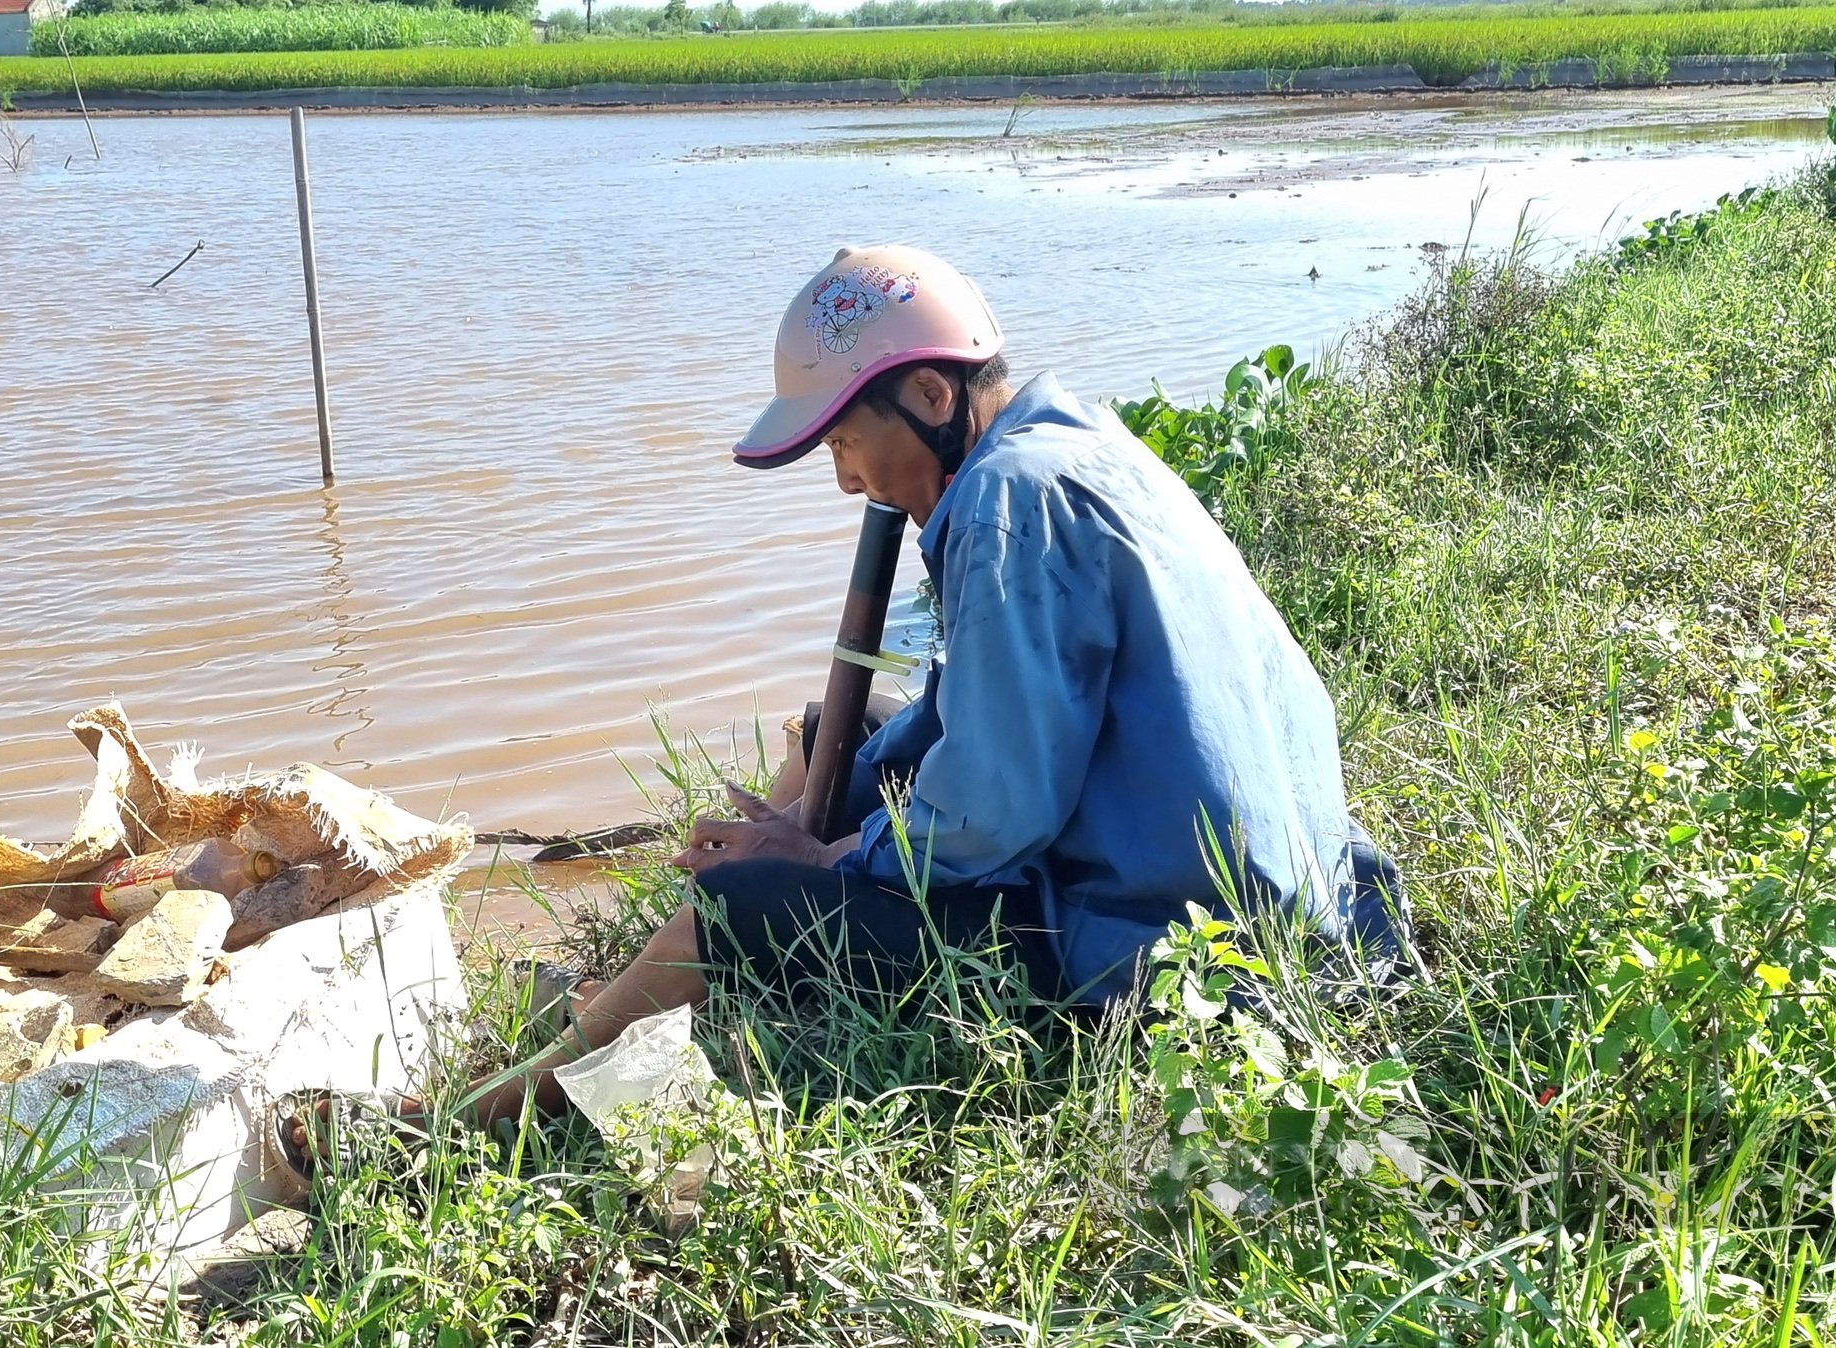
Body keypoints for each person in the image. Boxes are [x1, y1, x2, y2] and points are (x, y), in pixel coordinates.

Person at [284, 244, 1401, 1161]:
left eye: (847, 443)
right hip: (1282, 894)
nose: (844, 480)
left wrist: (820, 866)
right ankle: (713, 923)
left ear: (928, 395)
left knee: (734, 913)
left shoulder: (1005, 502)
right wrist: (819, 808)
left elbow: (996, 805)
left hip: (1151, 952)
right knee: (841, 732)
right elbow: (973, 706)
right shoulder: (1075, 446)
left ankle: (459, 1135)